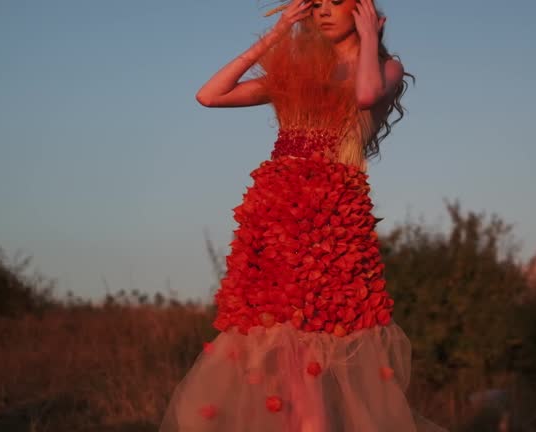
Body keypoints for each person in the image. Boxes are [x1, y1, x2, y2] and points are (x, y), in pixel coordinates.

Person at [158, 1, 447, 430]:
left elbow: (366, 95)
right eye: (316, 6)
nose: (324, 12)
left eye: (336, 3)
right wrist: (275, 37)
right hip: (275, 214)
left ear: (363, 11)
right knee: (276, 338)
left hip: (331, 219)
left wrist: (369, 39)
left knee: (322, 338)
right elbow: (209, 95)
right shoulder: (299, 73)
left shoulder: (387, 68)